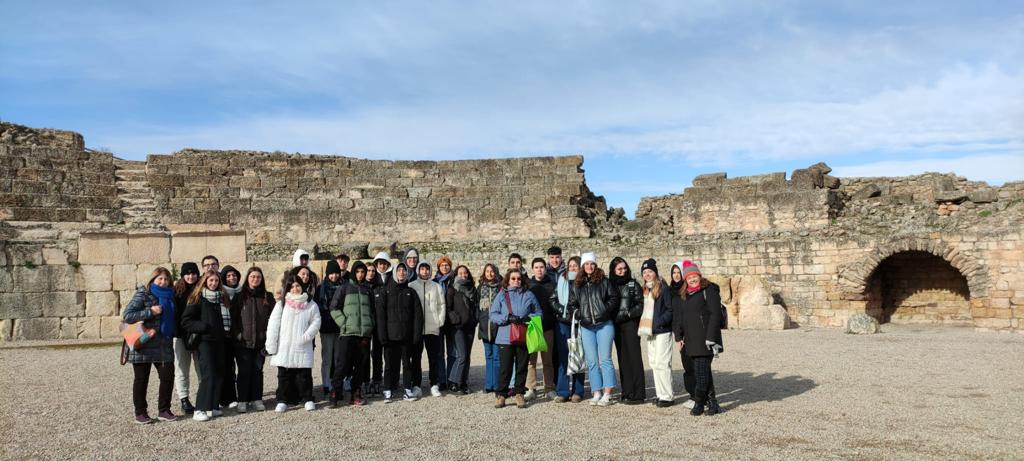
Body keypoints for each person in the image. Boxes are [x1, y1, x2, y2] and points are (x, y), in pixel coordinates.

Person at [122, 267, 178, 424]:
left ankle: (164, 410)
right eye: (160, 279)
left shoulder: (171, 295)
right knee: (141, 379)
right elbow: (127, 315)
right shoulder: (143, 293)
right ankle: (140, 413)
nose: (163, 282)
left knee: (168, 377)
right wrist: (150, 312)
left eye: (166, 279)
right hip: (144, 342)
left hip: (163, 343)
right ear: (153, 279)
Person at [567, 252, 620, 406]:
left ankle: (607, 393)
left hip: (604, 324)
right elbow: (572, 304)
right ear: (583, 266)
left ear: (595, 265)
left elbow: (614, 298)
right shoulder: (577, 284)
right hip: (587, 327)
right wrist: (580, 315)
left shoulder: (604, 281)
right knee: (591, 361)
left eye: (592, 263)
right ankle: (596, 392)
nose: (589, 266)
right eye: (586, 264)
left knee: (605, 359)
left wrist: (603, 310)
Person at [672, 261, 724, 416]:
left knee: (701, 374)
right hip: (691, 340)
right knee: (703, 372)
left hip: (705, 340)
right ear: (686, 279)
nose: (692, 279)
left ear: (699, 276)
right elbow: (681, 317)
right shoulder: (685, 294)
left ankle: (699, 403)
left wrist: (711, 337)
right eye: (689, 277)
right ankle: (713, 403)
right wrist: (679, 336)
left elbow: (715, 314)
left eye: (694, 276)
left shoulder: (709, 290)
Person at [266, 274, 322, 412]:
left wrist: (306, 336)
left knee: (304, 374)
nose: (295, 289)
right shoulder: (281, 304)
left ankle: (307, 398)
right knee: (284, 375)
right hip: (284, 345)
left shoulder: (310, 304)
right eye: (292, 286)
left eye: (297, 286)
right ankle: (282, 400)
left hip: (302, 344)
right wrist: (271, 344)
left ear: (302, 287)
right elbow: (273, 324)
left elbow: (316, 321)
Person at [181, 270, 230, 422]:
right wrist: (203, 326)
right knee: (208, 375)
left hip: (220, 341)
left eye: (216, 281)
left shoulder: (221, 298)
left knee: (219, 374)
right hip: (205, 342)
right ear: (205, 282)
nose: (213, 283)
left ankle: (212, 406)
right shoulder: (198, 299)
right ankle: (200, 409)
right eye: (211, 281)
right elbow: (186, 321)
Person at [489, 269, 541, 408]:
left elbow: (539, 312)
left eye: (518, 278)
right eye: (513, 278)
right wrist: (507, 318)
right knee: (505, 368)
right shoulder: (501, 295)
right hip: (505, 337)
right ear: (508, 280)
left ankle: (519, 393)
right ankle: (501, 395)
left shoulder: (529, 294)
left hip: (523, 335)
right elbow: (493, 314)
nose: (516, 281)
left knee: (521, 366)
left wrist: (529, 318)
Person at [374, 263, 424, 403]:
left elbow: (418, 315)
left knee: (407, 364)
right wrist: (382, 335)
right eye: (399, 270)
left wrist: (416, 335)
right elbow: (380, 316)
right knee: (389, 365)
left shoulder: (411, 292)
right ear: (395, 273)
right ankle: (387, 390)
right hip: (390, 336)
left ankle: (407, 389)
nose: (402, 272)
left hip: (406, 336)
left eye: (404, 270)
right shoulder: (385, 291)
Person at [328, 261, 375, 406]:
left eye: (363, 272)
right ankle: (335, 392)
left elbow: (372, 311)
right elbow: (334, 308)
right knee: (342, 365)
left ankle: (356, 393)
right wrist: (344, 323)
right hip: (348, 333)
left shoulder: (367, 290)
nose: (360, 274)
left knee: (360, 366)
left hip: (363, 334)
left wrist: (370, 326)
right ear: (354, 272)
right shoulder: (344, 288)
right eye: (358, 272)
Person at [230, 266, 275, 412]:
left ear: (262, 279)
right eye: (252, 277)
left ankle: (257, 399)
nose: (255, 279)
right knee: (244, 371)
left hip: (261, 342)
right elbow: (233, 319)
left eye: (258, 277)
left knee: (257, 371)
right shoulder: (239, 297)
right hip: (243, 342)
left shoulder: (267, 297)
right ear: (247, 278)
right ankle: (242, 400)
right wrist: (238, 335)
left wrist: (268, 336)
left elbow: (274, 318)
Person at [637, 259, 675, 407]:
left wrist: (658, 322)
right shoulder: (645, 290)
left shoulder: (663, 288)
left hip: (662, 330)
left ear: (655, 273)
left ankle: (667, 396)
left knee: (662, 362)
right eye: (645, 272)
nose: (647, 274)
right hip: (650, 331)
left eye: (650, 271)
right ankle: (660, 394)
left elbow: (670, 310)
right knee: (654, 363)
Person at [609, 257, 646, 404]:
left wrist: (629, 314)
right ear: (613, 270)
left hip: (630, 324)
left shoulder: (633, 284)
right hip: (616, 325)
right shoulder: (610, 285)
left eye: (624, 268)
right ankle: (627, 391)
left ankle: (638, 394)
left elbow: (640, 304)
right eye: (619, 269)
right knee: (623, 359)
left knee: (634, 357)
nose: (623, 271)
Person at [408, 261, 446, 397]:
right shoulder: (411, 286)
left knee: (433, 358)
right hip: (416, 329)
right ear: (418, 270)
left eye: (427, 269)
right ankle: (416, 385)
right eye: (422, 269)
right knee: (416, 358)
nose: (425, 272)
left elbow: (441, 305)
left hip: (432, 327)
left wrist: (439, 321)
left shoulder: (436, 286)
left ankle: (434, 384)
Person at [550, 256, 585, 403]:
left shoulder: (584, 282)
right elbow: (553, 299)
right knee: (563, 357)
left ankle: (578, 391)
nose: (572, 268)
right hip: (563, 323)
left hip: (578, 323)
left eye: (575, 265)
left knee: (578, 355)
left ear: (580, 267)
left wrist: (579, 313)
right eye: (570, 266)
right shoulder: (562, 281)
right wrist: (562, 311)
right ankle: (563, 391)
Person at [526, 257, 556, 400]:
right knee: (531, 361)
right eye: (536, 267)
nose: (539, 270)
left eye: (542, 267)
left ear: (545, 268)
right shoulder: (527, 285)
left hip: (548, 327)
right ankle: (530, 388)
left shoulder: (552, 285)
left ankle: (549, 388)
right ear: (532, 269)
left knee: (547, 361)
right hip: (532, 327)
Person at [172, 262, 200, 414]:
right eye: (187, 274)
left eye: (193, 273)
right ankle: (184, 399)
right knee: (182, 369)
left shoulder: (202, 289)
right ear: (183, 275)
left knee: (201, 368)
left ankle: (203, 397)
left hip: (198, 334)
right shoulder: (176, 291)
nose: (191, 276)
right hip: (180, 335)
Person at [446, 265, 477, 394]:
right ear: (456, 275)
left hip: (470, 327)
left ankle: (463, 382)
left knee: (467, 356)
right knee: (462, 356)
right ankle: (455, 382)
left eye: (465, 273)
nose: (463, 275)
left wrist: (475, 319)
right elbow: (448, 308)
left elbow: (475, 306)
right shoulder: (452, 289)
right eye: (460, 273)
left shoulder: (472, 289)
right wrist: (455, 319)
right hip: (457, 327)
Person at [316, 260, 345, 399]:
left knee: (338, 358)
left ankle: (337, 383)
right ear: (327, 274)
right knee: (327, 358)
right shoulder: (320, 289)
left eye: (336, 273)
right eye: (331, 273)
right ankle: (326, 384)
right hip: (326, 328)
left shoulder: (343, 287)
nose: (334, 276)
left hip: (340, 327)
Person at [476, 263, 503, 394]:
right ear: (484, 273)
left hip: (497, 327)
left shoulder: (501, 287)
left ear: (495, 272)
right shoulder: (480, 288)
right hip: (484, 326)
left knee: (497, 357)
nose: (490, 274)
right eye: (487, 271)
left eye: (492, 271)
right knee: (488, 356)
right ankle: (489, 384)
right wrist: (479, 320)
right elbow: (477, 306)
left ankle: (497, 384)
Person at [219, 265, 242, 410]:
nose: (231, 278)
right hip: (225, 336)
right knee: (226, 367)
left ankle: (240, 396)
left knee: (241, 368)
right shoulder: (220, 294)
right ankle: (226, 397)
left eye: (234, 275)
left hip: (239, 336)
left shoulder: (242, 292)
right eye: (228, 276)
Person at [364, 262, 384, 395]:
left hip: (377, 324)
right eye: (368, 270)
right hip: (365, 324)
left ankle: (377, 380)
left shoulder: (380, 287)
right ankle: (365, 380)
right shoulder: (361, 287)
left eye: (372, 271)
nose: (370, 273)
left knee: (377, 354)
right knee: (364, 354)